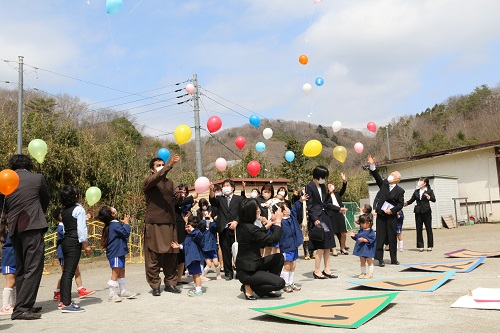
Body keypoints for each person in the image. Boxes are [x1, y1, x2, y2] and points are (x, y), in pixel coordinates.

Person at [3, 154, 49, 320]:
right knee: (33, 267)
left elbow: (3, 204)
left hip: (14, 229)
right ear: (29, 165)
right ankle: (22, 308)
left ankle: (22, 305)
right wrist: (38, 213)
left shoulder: (5, 179)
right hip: (32, 226)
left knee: (22, 268)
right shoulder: (37, 178)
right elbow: (45, 199)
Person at [143, 154, 183, 296]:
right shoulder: (149, 181)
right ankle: (155, 285)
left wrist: (183, 195)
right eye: (157, 165)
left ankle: (170, 283)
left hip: (169, 222)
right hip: (154, 223)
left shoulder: (171, 183)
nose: (160, 166)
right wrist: (169, 165)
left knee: (171, 254)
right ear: (152, 170)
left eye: (162, 164)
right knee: (153, 256)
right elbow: (157, 178)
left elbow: (177, 198)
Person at [235, 198, 285, 300]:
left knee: (278, 257)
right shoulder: (251, 229)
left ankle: (264, 288)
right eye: (257, 209)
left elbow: (256, 234)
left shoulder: (242, 226)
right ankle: (250, 285)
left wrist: (268, 225)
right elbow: (273, 239)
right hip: (248, 272)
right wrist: (278, 222)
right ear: (251, 213)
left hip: (254, 264)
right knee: (280, 283)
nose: (259, 211)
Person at [58, 185, 92, 313]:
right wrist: (85, 246)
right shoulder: (79, 209)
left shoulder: (64, 211)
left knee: (66, 271)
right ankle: (66, 304)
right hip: (73, 242)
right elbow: (81, 230)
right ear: (76, 196)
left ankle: (63, 300)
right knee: (69, 272)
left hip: (65, 241)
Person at [367, 155, 405, 267]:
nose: (390, 176)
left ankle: (394, 258)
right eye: (391, 174)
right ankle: (380, 259)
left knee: (392, 237)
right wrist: (372, 165)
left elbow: (400, 204)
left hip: (391, 216)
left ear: (397, 179)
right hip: (381, 215)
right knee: (380, 236)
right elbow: (376, 176)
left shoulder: (400, 191)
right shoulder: (384, 184)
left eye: (393, 175)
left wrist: (392, 210)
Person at [52, 208, 94, 302]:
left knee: (76, 271)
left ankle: (81, 289)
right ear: (60, 217)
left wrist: (83, 220)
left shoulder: (65, 225)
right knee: (66, 273)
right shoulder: (61, 227)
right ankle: (58, 292)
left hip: (70, 252)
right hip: (63, 253)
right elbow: (73, 232)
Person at [98, 206, 137, 302]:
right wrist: (127, 223)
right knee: (115, 272)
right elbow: (125, 233)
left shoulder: (113, 224)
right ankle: (112, 293)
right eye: (111, 209)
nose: (114, 208)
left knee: (121, 270)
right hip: (115, 253)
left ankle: (123, 290)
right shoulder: (114, 225)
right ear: (112, 214)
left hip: (119, 252)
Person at [209, 179, 244, 280]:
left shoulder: (239, 199)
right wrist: (211, 190)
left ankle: (240, 271)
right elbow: (212, 200)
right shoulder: (220, 199)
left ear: (233, 188)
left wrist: (236, 221)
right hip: (223, 229)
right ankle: (228, 272)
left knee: (237, 251)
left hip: (236, 229)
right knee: (226, 251)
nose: (226, 188)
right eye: (224, 186)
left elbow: (242, 212)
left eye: (228, 186)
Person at [306, 166, 337, 279]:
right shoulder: (309, 186)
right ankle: (317, 270)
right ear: (318, 175)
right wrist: (314, 219)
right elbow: (310, 205)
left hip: (325, 216)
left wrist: (338, 209)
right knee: (320, 245)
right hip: (317, 218)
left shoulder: (323, 186)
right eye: (323, 177)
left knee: (328, 244)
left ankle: (327, 269)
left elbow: (326, 203)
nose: (324, 179)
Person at [277, 196, 306, 293]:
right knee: (287, 265)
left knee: (293, 264)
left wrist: (300, 201)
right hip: (286, 246)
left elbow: (295, 209)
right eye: (285, 208)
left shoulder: (292, 217)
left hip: (294, 245)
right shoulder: (280, 221)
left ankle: (291, 282)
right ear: (281, 211)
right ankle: (285, 283)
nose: (288, 209)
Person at [171, 215, 205, 296]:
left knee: (196, 274)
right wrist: (179, 246)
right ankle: (197, 288)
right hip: (191, 258)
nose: (186, 228)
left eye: (188, 226)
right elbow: (185, 245)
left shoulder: (197, 232)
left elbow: (198, 236)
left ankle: (198, 289)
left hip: (196, 258)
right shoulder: (189, 236)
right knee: (194, 274)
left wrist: (192, 229)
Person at [405, 177, 436, 252]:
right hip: (418, 212)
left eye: (421, 181)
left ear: (425, 183)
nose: (419, 182)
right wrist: (406, 203)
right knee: (419, 229)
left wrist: (429, 197)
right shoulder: (416, 191)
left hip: (426, 211)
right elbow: (412, 200)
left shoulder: (429, 191)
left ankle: (430, 245)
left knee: (428, 228)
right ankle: (420, 245)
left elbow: (434, 199)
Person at [174, 184, 197, 285]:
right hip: (177, 228)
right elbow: (179, 203)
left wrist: (189, 217)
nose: (182, 192)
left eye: (184, 191)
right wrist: (192, 197)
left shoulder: (188, 202)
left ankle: (179, 278)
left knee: (183, 252)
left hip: (185, 228)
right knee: (176, 252)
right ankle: (173, 278)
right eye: (180, 190)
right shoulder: (175, 200)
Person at [327, 173, 349, 256]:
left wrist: (344, 180)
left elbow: (344, 188)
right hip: (331, 215)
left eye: (332, 185)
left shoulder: (337, 194)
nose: (331, 187)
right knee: (331, 233)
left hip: (339, 214)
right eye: (329, 186)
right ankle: (333, 249)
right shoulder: (326, 196)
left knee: (343, 232)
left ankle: (342, 248)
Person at [349, 214, 376, 279]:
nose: (361, 225)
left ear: (368, 223)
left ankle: (370, 273)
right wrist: (353, 236)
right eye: (361, 223)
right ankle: (363, 273)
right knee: (362, 261)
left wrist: (364, 240)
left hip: (368, 249)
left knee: (369, 261)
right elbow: (357, 238)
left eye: (363, 223)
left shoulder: (371, 232)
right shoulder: (361, 231)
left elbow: (372, 239)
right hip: (361, 248)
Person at [199, 210, 222, 281]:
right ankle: (202, 276)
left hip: (212, 248)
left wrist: (211, 218)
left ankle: (218, 274)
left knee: (216, 263)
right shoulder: (203, 230)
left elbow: (214, 226)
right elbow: (201, 225)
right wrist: (203, 218)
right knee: (209, 264)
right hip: (205, 249)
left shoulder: (212, 229)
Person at [0, 215, 16, 316]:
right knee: (10, 282)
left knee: (15, 283)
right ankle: (4, 306)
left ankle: (14, 304)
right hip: (9, 260)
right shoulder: (9, 234)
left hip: (14, 260)